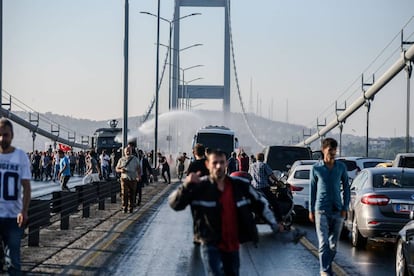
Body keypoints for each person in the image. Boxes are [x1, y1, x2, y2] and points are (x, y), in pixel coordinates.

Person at [169, 148, 283, 276]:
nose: (218, 166)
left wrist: (274, 223)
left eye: (221, 162)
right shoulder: (199, 187)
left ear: (226, 164)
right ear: (208, 164)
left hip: (232, 243)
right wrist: (186, 186)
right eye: (215, 163)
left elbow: (260, 204)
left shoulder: (240, 185)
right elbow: (175, 204)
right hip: (210, 243)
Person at [309, 138, 350, 276]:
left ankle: (326, 267)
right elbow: (312, 190)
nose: (333, 153)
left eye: (334, 150)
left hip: (338, 210)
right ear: (323, 150)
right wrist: (311, 209)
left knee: (333, 245)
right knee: (323, 243)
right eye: (330, 150)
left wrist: (345, 207)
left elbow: (346, 187)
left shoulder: (341, 167)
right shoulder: (316, 168)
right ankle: (325, 271)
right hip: (321, 210)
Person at [0, 118, 31, 275]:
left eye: (5, 135)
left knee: (14, 261)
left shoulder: (20, 156)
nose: (2, 139)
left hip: (13, 217)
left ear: (11, 135)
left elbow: (26, 187)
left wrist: (24, 211)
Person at [249, 152, 282, 222]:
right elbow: (272, 175)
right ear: (263, 158)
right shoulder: (264, 165)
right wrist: (278, 182)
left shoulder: (251, 166)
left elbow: (249, 176)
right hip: (263, 188)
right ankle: (279, 220)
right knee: (274, 202)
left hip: (254, 188)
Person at [116, 146, 141, 213]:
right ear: (124, 152)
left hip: (133, 178)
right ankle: (124, 207)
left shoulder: (135, 159)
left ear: (131, 151)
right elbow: (117, 168)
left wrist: (138, 176)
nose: (128, 151)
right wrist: (121, 170)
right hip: (124, 178)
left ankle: (131, 207)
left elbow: (138, 168)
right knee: (124, 193)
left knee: (132, 194)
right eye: (126, 150)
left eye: (129, 150)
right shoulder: (121, 160)